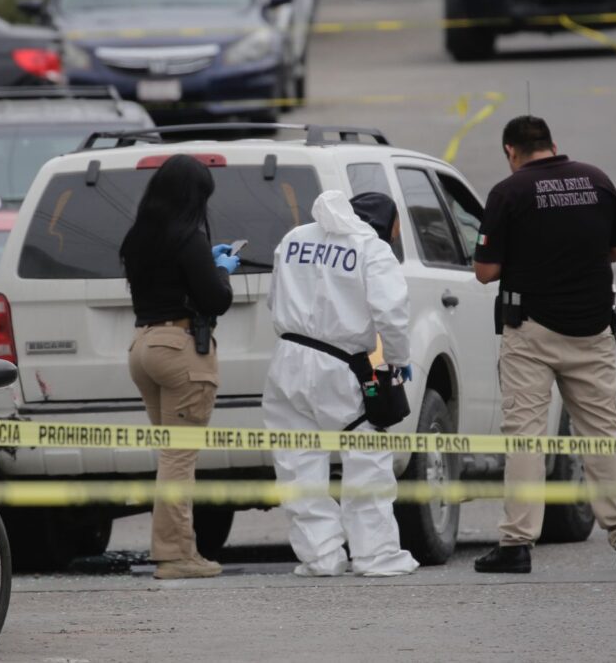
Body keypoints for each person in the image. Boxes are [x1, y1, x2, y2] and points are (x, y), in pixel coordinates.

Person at [472, 115, 616, 574]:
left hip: (530, 333)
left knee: (526, 438)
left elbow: (485, 271)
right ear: (553, 145)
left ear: (510, 151)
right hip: (592, 330)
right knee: (605, 436)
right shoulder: (597, 181)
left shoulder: (509, 192)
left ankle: (517, 545)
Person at [263, 189, 420, 578]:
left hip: (287, 360)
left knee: (297, 462)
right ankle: (375, 556)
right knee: (367, 458)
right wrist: (397, 360)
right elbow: (392, 314)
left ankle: (321, 557)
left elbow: (273, 299)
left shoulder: (294, 238)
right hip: (342, 364)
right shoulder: (370, 248)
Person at [120, 154, 241, 580]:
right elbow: (216, 300)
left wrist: (207, 260)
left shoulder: (139, 237)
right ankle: (175, 556)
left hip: (143, 344)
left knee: (170, 455)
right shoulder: (187, 238)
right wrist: (221, 270)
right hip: (179, 349)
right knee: (179, 458)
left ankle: (181, 550)